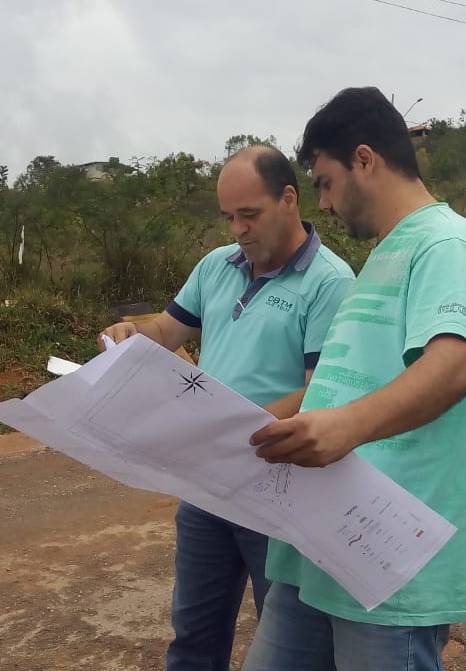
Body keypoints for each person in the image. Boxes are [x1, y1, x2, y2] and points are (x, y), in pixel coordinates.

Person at [242, 87, 466, 671]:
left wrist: (346, 427)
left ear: (364, 159)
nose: (323, 202)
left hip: (390, 567)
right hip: (323, 545)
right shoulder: (388, 254)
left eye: (325, 182)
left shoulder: (447, 244)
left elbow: (456, 365)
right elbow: (342, 385)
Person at [98, 145, 355, 671]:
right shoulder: (216, 266)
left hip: (278, 490)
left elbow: (320, 391)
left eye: (249, 214)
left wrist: (234, 427)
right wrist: (131, 335)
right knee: (193, 634)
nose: (238, 229)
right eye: (228, 216)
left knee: (283, 637)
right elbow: (167, 331)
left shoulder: (329, 282)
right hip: (208, 485)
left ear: (289, 199)